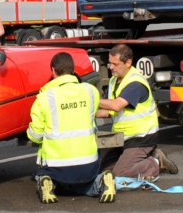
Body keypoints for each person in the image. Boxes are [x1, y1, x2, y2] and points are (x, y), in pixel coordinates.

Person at [26, 52, 116, 204]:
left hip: (57, 166)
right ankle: (101, 180)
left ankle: (47, 181)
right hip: (89, 164)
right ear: (73, 70)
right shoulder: (90, 91)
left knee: (41, 176)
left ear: (53, 71)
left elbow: (35, 135)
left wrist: (29, 132)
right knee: (85, 184)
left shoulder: (44, 98)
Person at [97, 43, 178, 179]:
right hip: (122, 137)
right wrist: (85, 111)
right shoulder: (113, 81)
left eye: (115, 64)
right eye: (110, 63)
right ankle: (143, 160)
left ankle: (156, 162)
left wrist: (89, 98)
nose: (111, 67)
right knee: (103, 172)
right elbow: (108, 111)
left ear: (128, 62)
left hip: (141, 137)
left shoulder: (135, 83)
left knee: (120, 174)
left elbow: (116, 105)